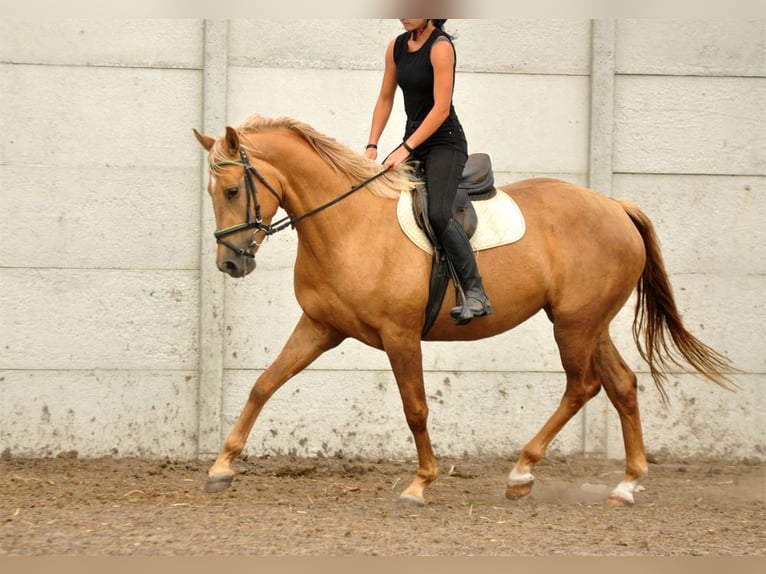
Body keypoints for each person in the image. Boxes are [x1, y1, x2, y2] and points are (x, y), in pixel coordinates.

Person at [365, 18, 492, 324]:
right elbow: (385, 97)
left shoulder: (441, 48)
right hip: (414, 140)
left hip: (444, 143)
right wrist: (372, 145)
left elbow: (441, 109)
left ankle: (475, 291)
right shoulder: (396, 47)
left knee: (438, 212)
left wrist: (404, 149)